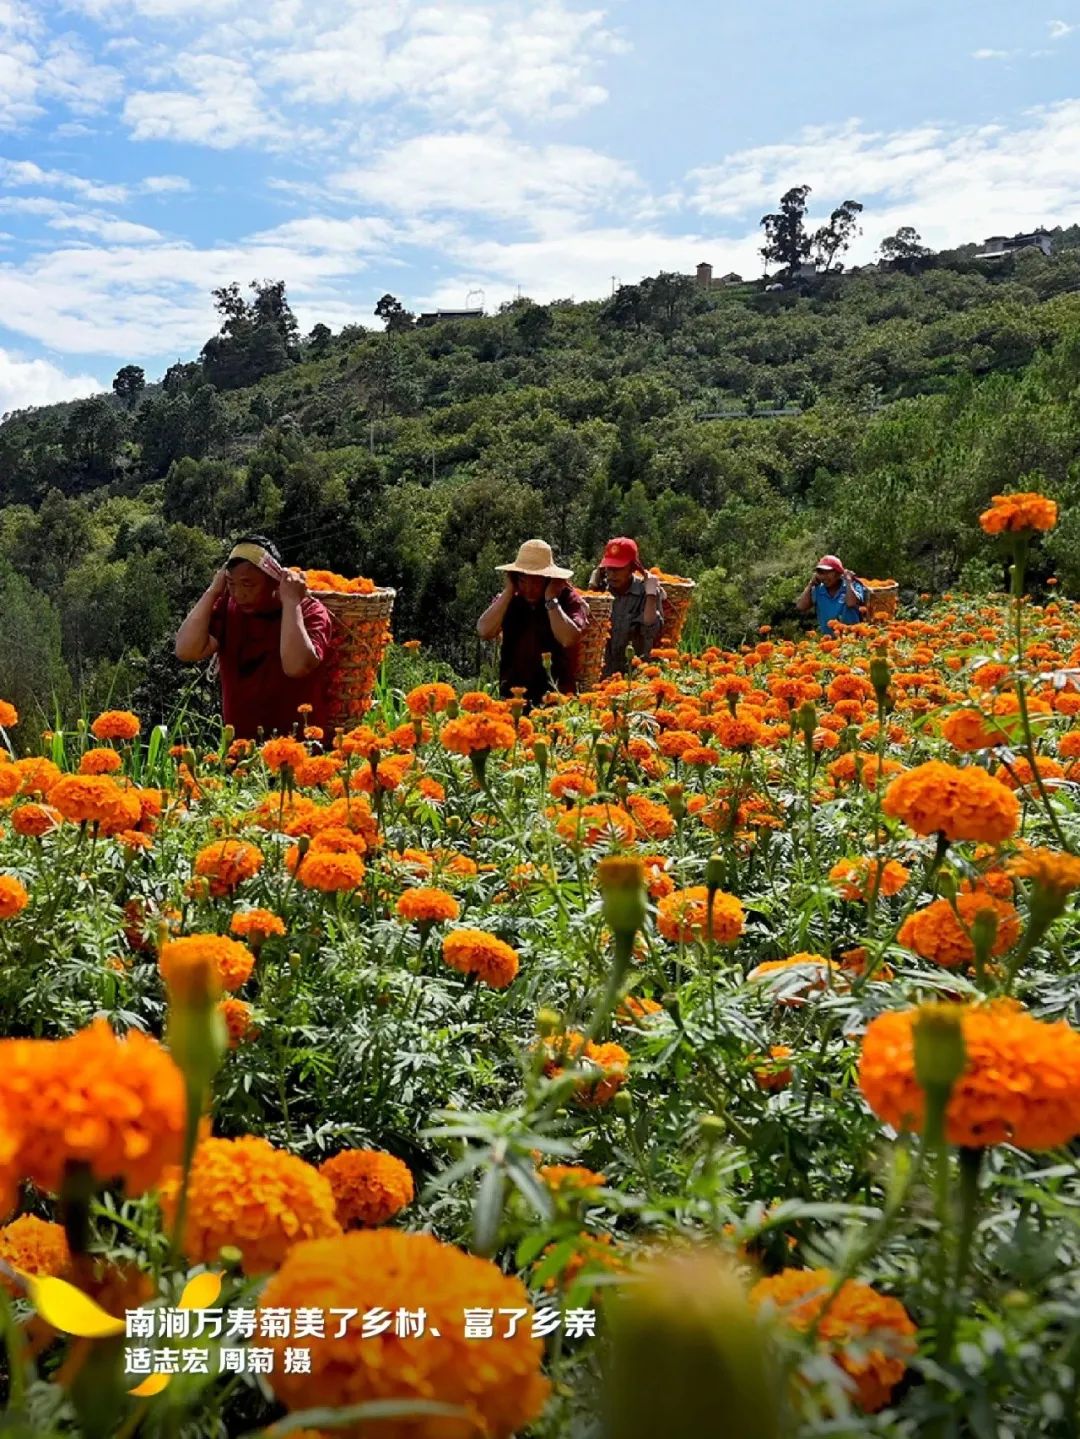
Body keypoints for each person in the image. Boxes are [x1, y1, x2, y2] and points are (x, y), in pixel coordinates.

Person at [174, 534, 335, 740]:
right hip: (242, 753)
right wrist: (214, 591)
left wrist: (291, 602)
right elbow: (186, 650)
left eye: (248, 585)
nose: (239, 594)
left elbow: (296, 667)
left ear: (275, 580)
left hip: (300, 748)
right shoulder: (229, 607)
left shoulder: (309, 612)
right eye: (232, 584)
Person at [476, 539, 590, 707]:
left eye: (536, 581)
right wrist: (508, 591)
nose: (529, 588)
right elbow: (484, 631)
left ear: (549, 579)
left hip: (555, 699)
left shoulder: (566, 598)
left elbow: (568, 638)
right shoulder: (511, 600)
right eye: (523, 580)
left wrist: (551, 600)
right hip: (513, 698)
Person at [587, 537, 665, 679]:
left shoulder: (645, 592)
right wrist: (592, 588)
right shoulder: (602, 591)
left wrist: (651, 595)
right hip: (603, 675)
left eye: (618, 569)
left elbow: (650, 630)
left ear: (632, 567)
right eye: (609, 569)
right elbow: (589, 631)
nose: (611, 574)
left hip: (634, 675)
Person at [795, 554, 868, 634]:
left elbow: (851, 603)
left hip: (852, 639)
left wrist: (848, 580)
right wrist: (810, 584)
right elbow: (800, 607)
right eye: (821, 573)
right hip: (829, 641)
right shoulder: (818, 589)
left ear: (838, 573)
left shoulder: (853, 585)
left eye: (828, 573)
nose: (824, 577)